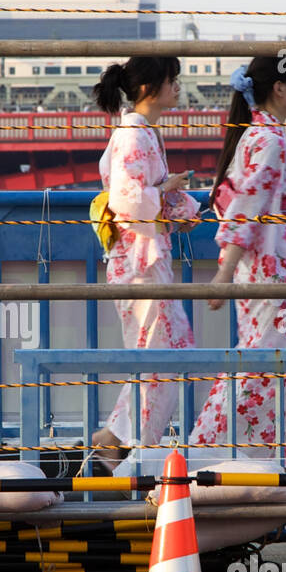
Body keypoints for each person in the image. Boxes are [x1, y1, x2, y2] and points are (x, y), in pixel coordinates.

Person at [188, 56, 286, 463]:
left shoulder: (255, 136)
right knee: (269, 370)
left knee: (266, 368)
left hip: (265, 278)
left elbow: (242, 202)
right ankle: (208, 460)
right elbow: (247, 208)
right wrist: (224, 272)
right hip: (277, 284)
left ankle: (244, 462)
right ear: (279, 88)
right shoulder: (270, 141)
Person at [87, 57, 200, 470]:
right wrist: (167, 190)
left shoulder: (138, 131)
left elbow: (139, 197)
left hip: (143, 260)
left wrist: (177, 205)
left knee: (168, 353)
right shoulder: (135, 134)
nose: (178, 86)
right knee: (161, 358)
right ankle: (132, 449)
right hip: (138, 263)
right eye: (174, 79)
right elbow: (128, 200)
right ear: (152, 87)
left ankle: (121, 441)